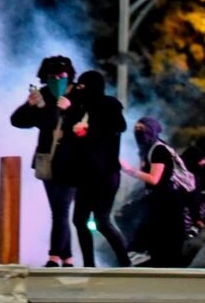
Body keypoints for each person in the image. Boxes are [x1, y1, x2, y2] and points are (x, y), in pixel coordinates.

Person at [10, 55, 77, 268]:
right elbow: (18, 121)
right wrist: (30, 106)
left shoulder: (78, 95)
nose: (58, 78)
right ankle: (67, 257)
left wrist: (71, 110)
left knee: (61, 208)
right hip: (47, 160)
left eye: (62, 75)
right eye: (53, 76)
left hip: (71, 161)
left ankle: (54, 256)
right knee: (58, 209)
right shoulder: (44, 95)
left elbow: (88, 123)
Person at [68, 71, 131, 267]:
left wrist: (90, 128)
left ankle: (124, 261)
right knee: (79, 220)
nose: (80, 89)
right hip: (86, 175)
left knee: (102, 221)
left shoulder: (108, 105)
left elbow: (120, 125)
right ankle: (88, 265)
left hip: (105, 174)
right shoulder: (80, 108)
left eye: (83, 86)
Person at [120, 117, 186, 267]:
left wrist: (129, 170)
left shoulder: (158, 150)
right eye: (136, 129)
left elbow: (154, 179)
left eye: (142, 129)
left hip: (168, 203)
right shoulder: (148, 150)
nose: (138, 132)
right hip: (158, 202)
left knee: (165, 245)